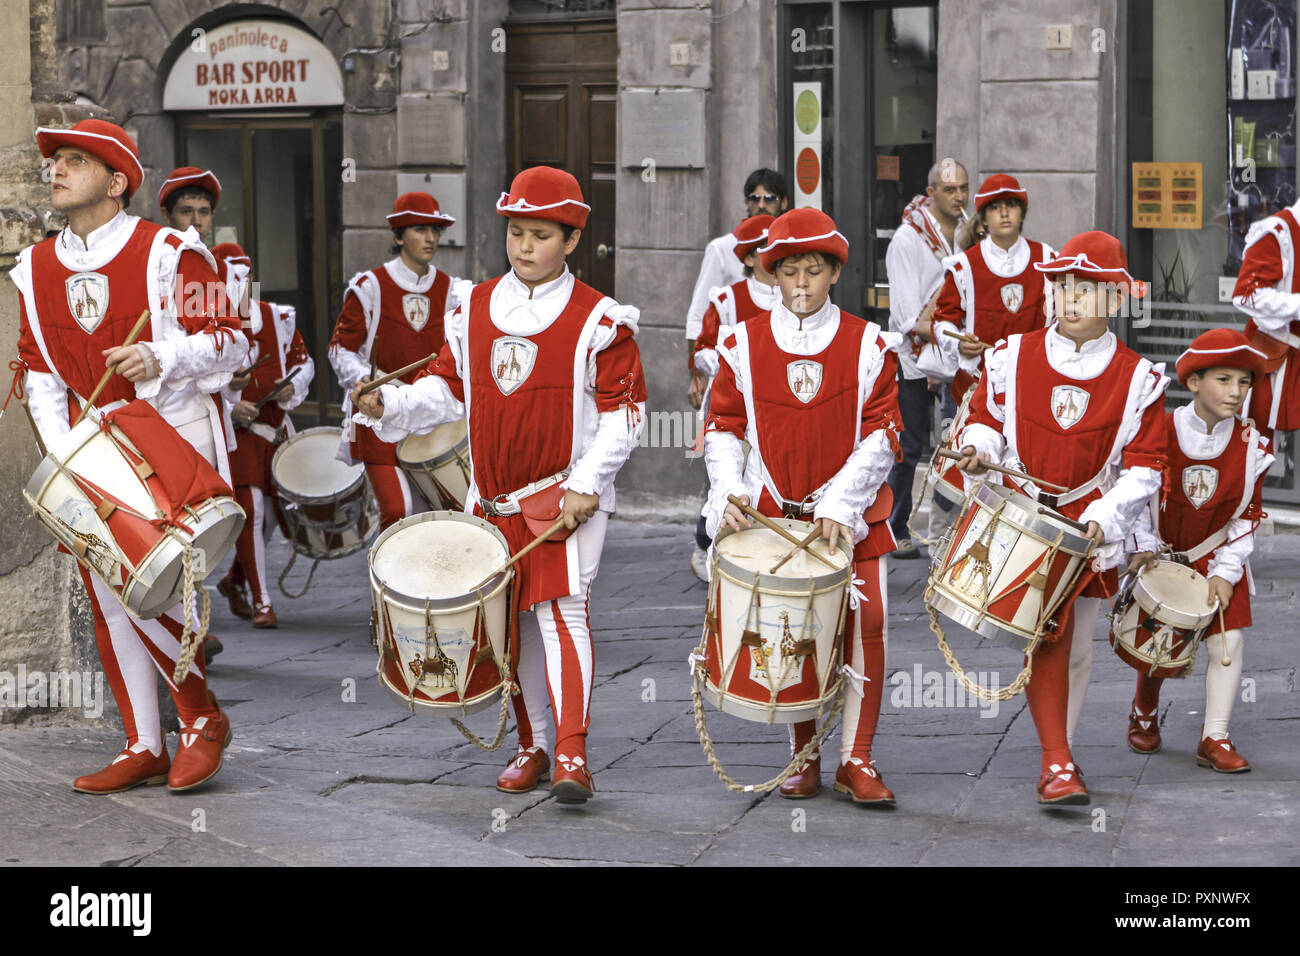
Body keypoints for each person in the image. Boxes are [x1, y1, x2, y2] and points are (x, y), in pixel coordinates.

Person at [351, 167, 646, 804]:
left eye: (540, 235)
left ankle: (572, 750)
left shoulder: (602, 319)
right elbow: (447, 391)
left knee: (564, 615)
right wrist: (390, 406)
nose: (524, 246)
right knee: (510, 624)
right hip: (491, 499)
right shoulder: (473, 308)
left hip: (565, 497)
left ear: (570, 240)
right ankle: (532, 744)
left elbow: (626, 416)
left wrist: (587, 483)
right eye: (516, 232)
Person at [11, 119, 245, 793]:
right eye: (55, 161)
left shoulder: (175, 253)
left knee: (156, 583)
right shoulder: (35, 268)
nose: (55, 170)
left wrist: (162, 355)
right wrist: (69, 469)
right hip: (94, 451)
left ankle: (201, 718)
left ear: (116, 183)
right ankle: (144, 741)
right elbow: (42, 375)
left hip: (168, 438)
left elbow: (234, 343)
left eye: (75, 161)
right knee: (110, 595)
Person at [953, 230, 1167, 804]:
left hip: (1090, 524)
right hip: (1023, 518)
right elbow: (985, 421)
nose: (1071, 298)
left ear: (1116, 299)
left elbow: (1145, 468)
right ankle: (1057, 761)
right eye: (1062, 286)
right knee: (1050, 634)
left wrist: (1106, 515)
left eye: (1087, 288)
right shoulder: (1010, 356)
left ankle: (1061, 749)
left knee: (1079, 646)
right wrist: (979, 449)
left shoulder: (1139, 378)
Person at [703, 207, 902, 804]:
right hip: (773, 514)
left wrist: (842, 501)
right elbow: (722, 427)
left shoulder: (868, 343)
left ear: (833, 273)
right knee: (794, 628)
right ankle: (804, 752)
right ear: (774, 276)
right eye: (789, 272)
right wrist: (728, 489)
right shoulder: (741, 343)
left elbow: (884, 431)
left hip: (853, 516)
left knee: (868, 625)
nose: (802, 285)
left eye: (813, 271)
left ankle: (857, 758)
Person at [1126, 329, 1272, 772]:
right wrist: (1144, 549)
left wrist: (1226, 573)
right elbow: (1136, 497)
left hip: (1218, 553)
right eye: (1223, 380)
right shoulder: (1160, 432)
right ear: (1193, 383)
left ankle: (1215, 737)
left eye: (1244, 382)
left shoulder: (1253, 445)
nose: (1235, 392)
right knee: (1158, 638)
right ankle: (1144, 710)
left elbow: (1248, 516)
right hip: (1163, 552)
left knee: (1229, 640)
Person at [328, 192, 461, 529]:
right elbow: (339, 349)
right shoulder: (369, 286)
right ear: (399, 236)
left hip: (427, 415)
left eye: (435, 230)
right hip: (378, 415)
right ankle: (386, 581)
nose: (430, 238)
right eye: (420, 229)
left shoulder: (452, 291)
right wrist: (368, 384)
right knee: (398, 512)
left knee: (433, 518)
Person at [211, 243, 315, 628]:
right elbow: (190, 385)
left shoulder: (278, 318)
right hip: (238, 434)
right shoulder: (206, 326)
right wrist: (228, 407)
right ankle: (262, 601)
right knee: (251, 510)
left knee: (271, 515)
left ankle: (235, 580)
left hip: (273, 431)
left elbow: (305, 361)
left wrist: (293, 385)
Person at [686, 213, 779, 580]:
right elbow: (703, 349)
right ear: (751, 257)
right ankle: (706, 543)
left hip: (774, 409)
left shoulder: (792, 296)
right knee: (726, 478)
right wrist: (733, 361)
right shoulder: (728, 299)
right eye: (765, 250)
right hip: (733, 405)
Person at [884, 159, 969, 557]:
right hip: (913, 357)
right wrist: (936, 339)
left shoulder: (968, 233)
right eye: (950, 190)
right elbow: (904, 316)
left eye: (964, 188)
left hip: (952, 356)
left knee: (957, 439)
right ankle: (893, 525)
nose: (960, 197)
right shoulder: (908, 239)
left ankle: (952, 530)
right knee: (910, 442)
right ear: (931, 192)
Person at [158, 166, 221, 245]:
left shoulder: (212, 257)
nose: (197, 222)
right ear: (166, 215)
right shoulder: (152, 256)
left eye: (204, 212)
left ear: (212, 215)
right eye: (186, 212)